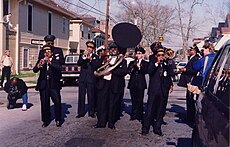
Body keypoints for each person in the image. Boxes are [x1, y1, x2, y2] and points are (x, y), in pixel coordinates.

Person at [142, 48, 174, 136]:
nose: (161, 57)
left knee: (160, 110)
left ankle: (158, 128)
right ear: (156, 56)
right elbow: (149, 71)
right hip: (154, 90)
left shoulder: (166, 64)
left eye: (162, 55)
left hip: (163, 90)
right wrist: (156, 63)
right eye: (159, 55)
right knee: (150, 110)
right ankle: (145, 128)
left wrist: (169, 62)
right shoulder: (152, 63)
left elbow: (170, 74)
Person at [33, 45, 62, 127]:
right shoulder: (41, 60)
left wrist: (50, 62)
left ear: (52, 53)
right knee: (44, 103)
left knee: (57, 102)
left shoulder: (56, 60)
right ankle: (45, 120)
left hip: (54, 84)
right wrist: (39, 65)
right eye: (45, 52)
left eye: (48, 52)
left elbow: (59, 68)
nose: (46, 53)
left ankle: (58, 119)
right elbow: (35, 70)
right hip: (44, 84)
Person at [76, 41, 100, 118]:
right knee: (81, 96)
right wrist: (84, 58)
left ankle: (91, 112)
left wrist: (90, 60)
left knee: (91, 96)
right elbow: (79, 63)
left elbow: (96, 66)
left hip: (91, 79)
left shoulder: (95, 56)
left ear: (93, 49)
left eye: (91, 48)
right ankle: (80, 112)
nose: (89, 49)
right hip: (83, 78)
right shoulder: (82, 55)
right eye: (88, 47)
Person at [177, 44, 200, 122]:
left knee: (190, 100)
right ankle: (189, 116)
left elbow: (195, 71)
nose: (189, 51)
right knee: (189, 99)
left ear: (194, 51)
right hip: (189, 81)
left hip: (191, 80)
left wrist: (185, 70)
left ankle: (190, 118)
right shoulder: (192, 58)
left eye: (191, 50)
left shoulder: (196, 59)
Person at [127, 47, 148, 121]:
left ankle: (140, 115)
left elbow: (145, 71)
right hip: (133, 83)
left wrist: (139, 67)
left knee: (140, 99)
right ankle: (133, 114)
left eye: (139, 53)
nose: (137, 55)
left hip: (141, 83)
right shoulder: (132, 62)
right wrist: (133, 66)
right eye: (137, 53)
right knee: (133, 99)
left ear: (142, 55)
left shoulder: (145, 63)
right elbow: (128, 71)